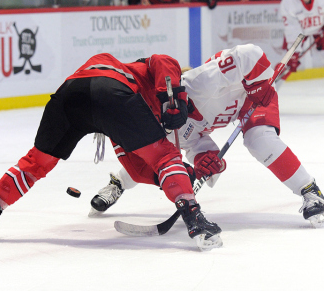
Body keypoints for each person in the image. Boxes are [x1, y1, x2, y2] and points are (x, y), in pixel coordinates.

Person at [0, 53, 223, 250]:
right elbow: (163, 60)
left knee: (36, 162)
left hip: (71, 93)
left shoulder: (135, 102)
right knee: (166, 156)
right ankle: (195, 218)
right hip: (112, 93)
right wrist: (173, 99)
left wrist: (166, 178)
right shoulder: (146, 75)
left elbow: (135, 167)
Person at [90, 44, 324, 229]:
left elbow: (250, 54)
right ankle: (118, 183)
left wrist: (257, 86)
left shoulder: (199, 83)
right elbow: (198, 146)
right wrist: (208, 161)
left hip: (255, 94)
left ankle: (311, 191)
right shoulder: (170, 130)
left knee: (259, 140)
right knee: (153, 156)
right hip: (240, 102)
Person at [280, 0, 324, 77]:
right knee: (287, 61)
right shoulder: (288, 2)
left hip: (319, 30)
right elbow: (292, 30)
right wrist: (293, 52)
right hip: (300, 34)